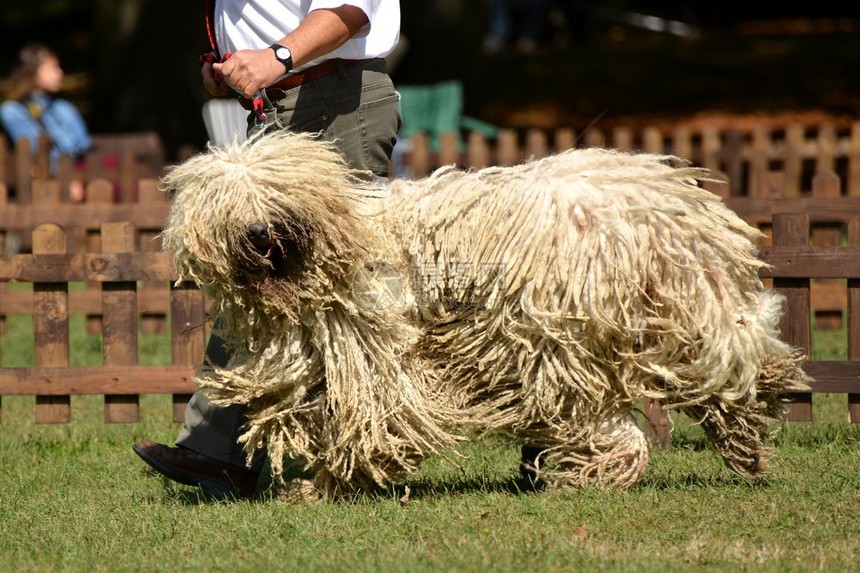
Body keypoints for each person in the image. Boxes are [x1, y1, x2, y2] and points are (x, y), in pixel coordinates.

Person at [132, 0, 401, 498]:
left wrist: (274, 57)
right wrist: (227, 64)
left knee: (341, 295)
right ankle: (218, 453)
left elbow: (351, 9)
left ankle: (337, 467)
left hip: (334, 100)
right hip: (279, 105)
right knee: (257, 283)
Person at [0, 43, 91, 200]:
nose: (60, 73)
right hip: (40, 183)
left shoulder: (64, 108)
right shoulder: (12, 111)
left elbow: (83, 146)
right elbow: (36, 149)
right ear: (33, 72)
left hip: (76, 175)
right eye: (52, 68)